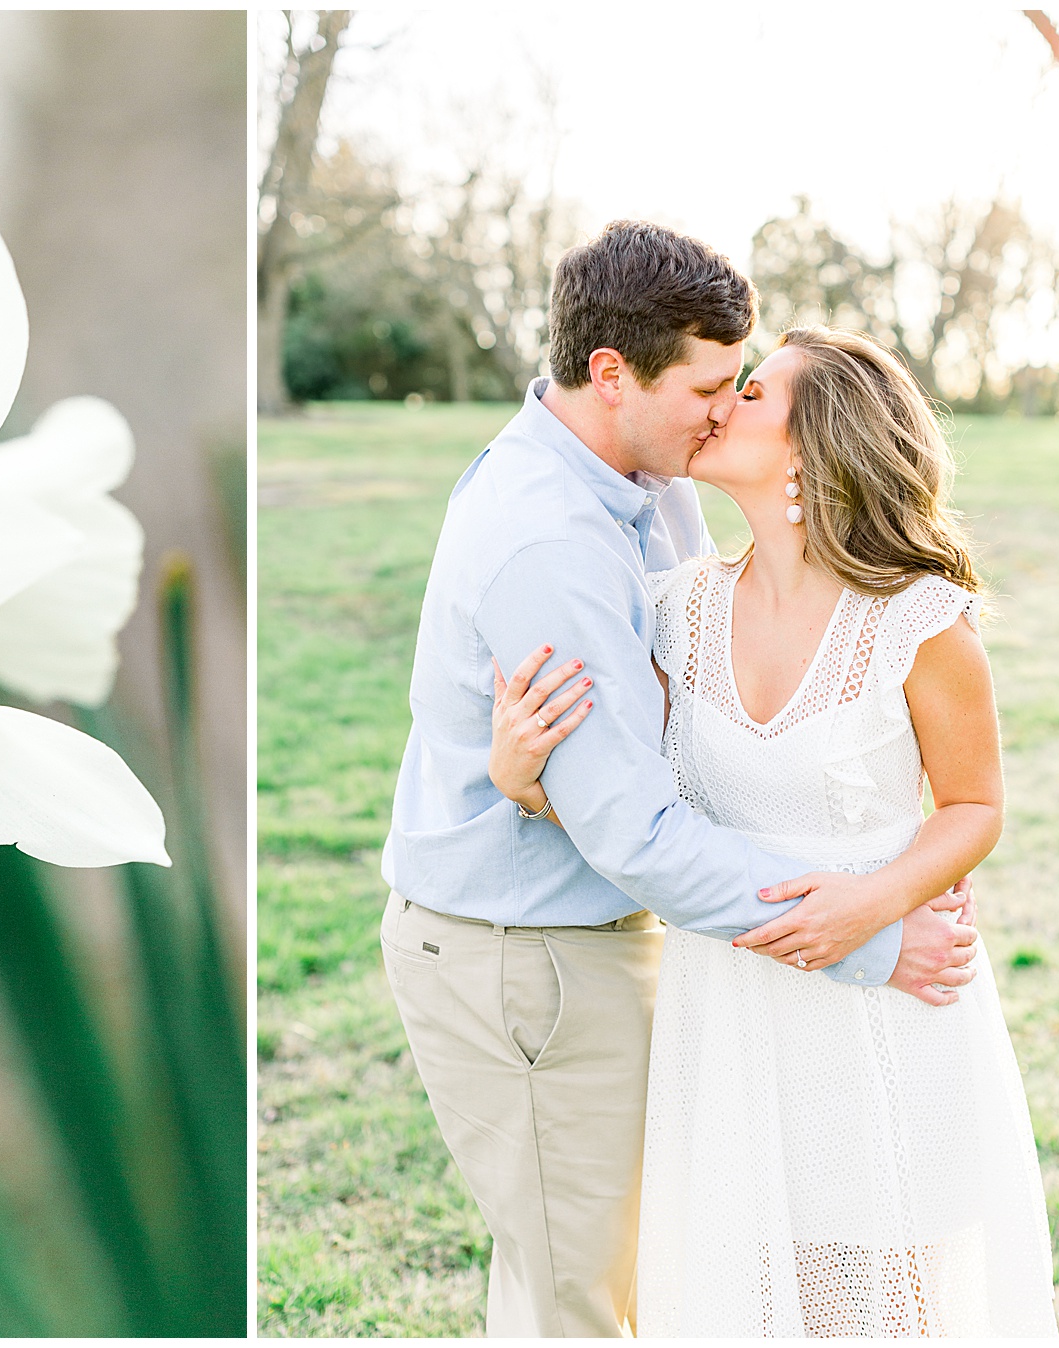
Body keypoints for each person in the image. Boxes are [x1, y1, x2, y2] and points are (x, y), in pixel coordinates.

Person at [379, 221, 979, 1338]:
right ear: (613, 373)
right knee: (585, 1295)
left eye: (744, 387)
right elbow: (638, 828)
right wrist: (876, 934)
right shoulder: (549, 536)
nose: (724, 406)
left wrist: (899, 863)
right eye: (711, 386)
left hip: (667, 947)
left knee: (651, 1271)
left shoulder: (649, 477)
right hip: (528, 960)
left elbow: (677, 711)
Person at [489, 324, 1056, 1336]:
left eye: (751, 394)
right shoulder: (674, 612)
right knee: (771, 1283)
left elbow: (975, 807)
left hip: (887, 999)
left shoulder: (920, 622)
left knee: (885, 1295)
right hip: (735, 1001)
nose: (718, 404)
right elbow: (635, 805)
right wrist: (522, 778)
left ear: (809, 446)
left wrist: (871, 910)